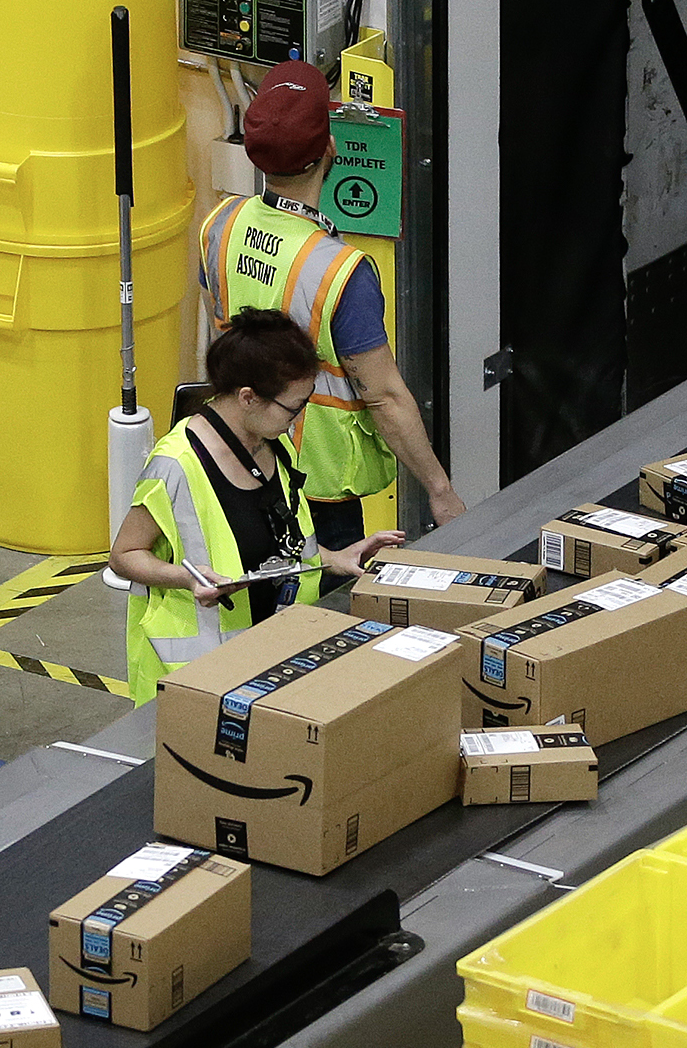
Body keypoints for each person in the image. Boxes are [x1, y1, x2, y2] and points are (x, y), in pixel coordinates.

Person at [198, 60, 465, 568]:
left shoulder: (220, 224)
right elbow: (384, 395)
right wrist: (439, 489)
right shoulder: (341, 271)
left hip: (236, 460)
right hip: (319, 491)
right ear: (329, 150)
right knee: (322, 629)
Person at [109, 308, 405, 702]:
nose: (298, 420)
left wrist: (335, 559)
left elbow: (277, 547)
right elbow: (124, 554)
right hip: (201, 680)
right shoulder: (176, 465)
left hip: (273, 662)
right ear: (248, 397)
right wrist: (188, 579)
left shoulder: (272, 445)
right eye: (293, 407)